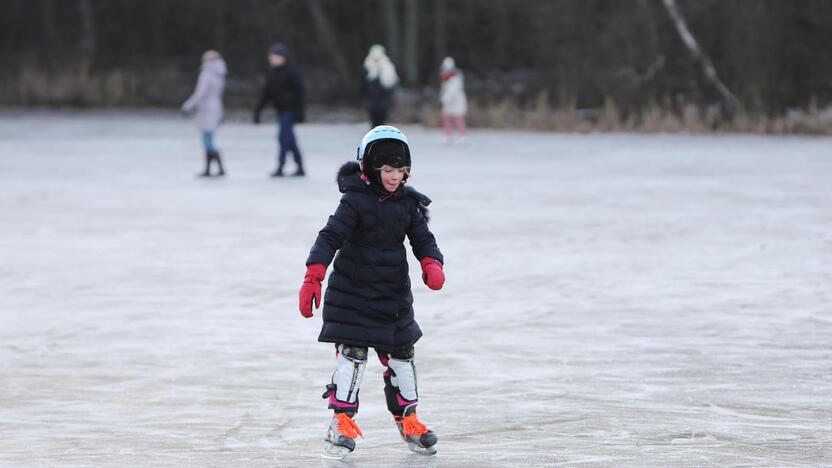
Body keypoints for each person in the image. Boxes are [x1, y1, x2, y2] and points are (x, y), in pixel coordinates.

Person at [298, 125, 445, 460]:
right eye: (388, 170)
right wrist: (313, 275)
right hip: (352, 295)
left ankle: (409, 420)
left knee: (403, 358)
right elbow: (330, 236)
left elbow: (423, 238)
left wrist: (431, 261)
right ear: (370, 168)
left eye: (400, 170)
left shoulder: (407, 204)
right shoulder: (354, 202)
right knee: (353, 356)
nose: (395, 177)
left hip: (393, 298)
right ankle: (341, 422)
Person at [253, 43, 306, 177]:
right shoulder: (272, 73)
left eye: (275, 56)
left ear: (283, 57)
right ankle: (300, 166)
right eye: (271, 56)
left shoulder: (291, 71)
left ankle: (281, 166)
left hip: (290, 111)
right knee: (290, 139)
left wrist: (300, 113)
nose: (271, 59)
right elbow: (266, 93)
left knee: (283, 138)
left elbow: (300, 93)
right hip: (281, 110)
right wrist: (258, 110)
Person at [182, 50, 227, 177]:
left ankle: (214, 168)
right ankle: (213, 168)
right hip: (216, 107)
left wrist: (187, 106)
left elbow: (200, 93)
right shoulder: (220, 73)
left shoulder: (206, 74)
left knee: (207, 140)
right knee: (209, 138)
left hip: (207, 109)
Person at [359, 45, 399, 127]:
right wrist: (362, 96)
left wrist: (390, 97)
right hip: (371, 100)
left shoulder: (388, 67)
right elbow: (362, 84)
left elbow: (392, 84)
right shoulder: (367, 67)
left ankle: (381, 136)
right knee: (373, 120)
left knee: (382, 120)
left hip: (384, 100)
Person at [439, 56, 468, 142]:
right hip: (448, 102)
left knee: (458, 118)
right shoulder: (445, 79)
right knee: (446, 118)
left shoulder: (455, 78)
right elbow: (444, 91)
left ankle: (463, 135)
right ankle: (448, 135)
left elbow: (452, 92)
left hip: (456, 102)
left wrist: (443, 101)